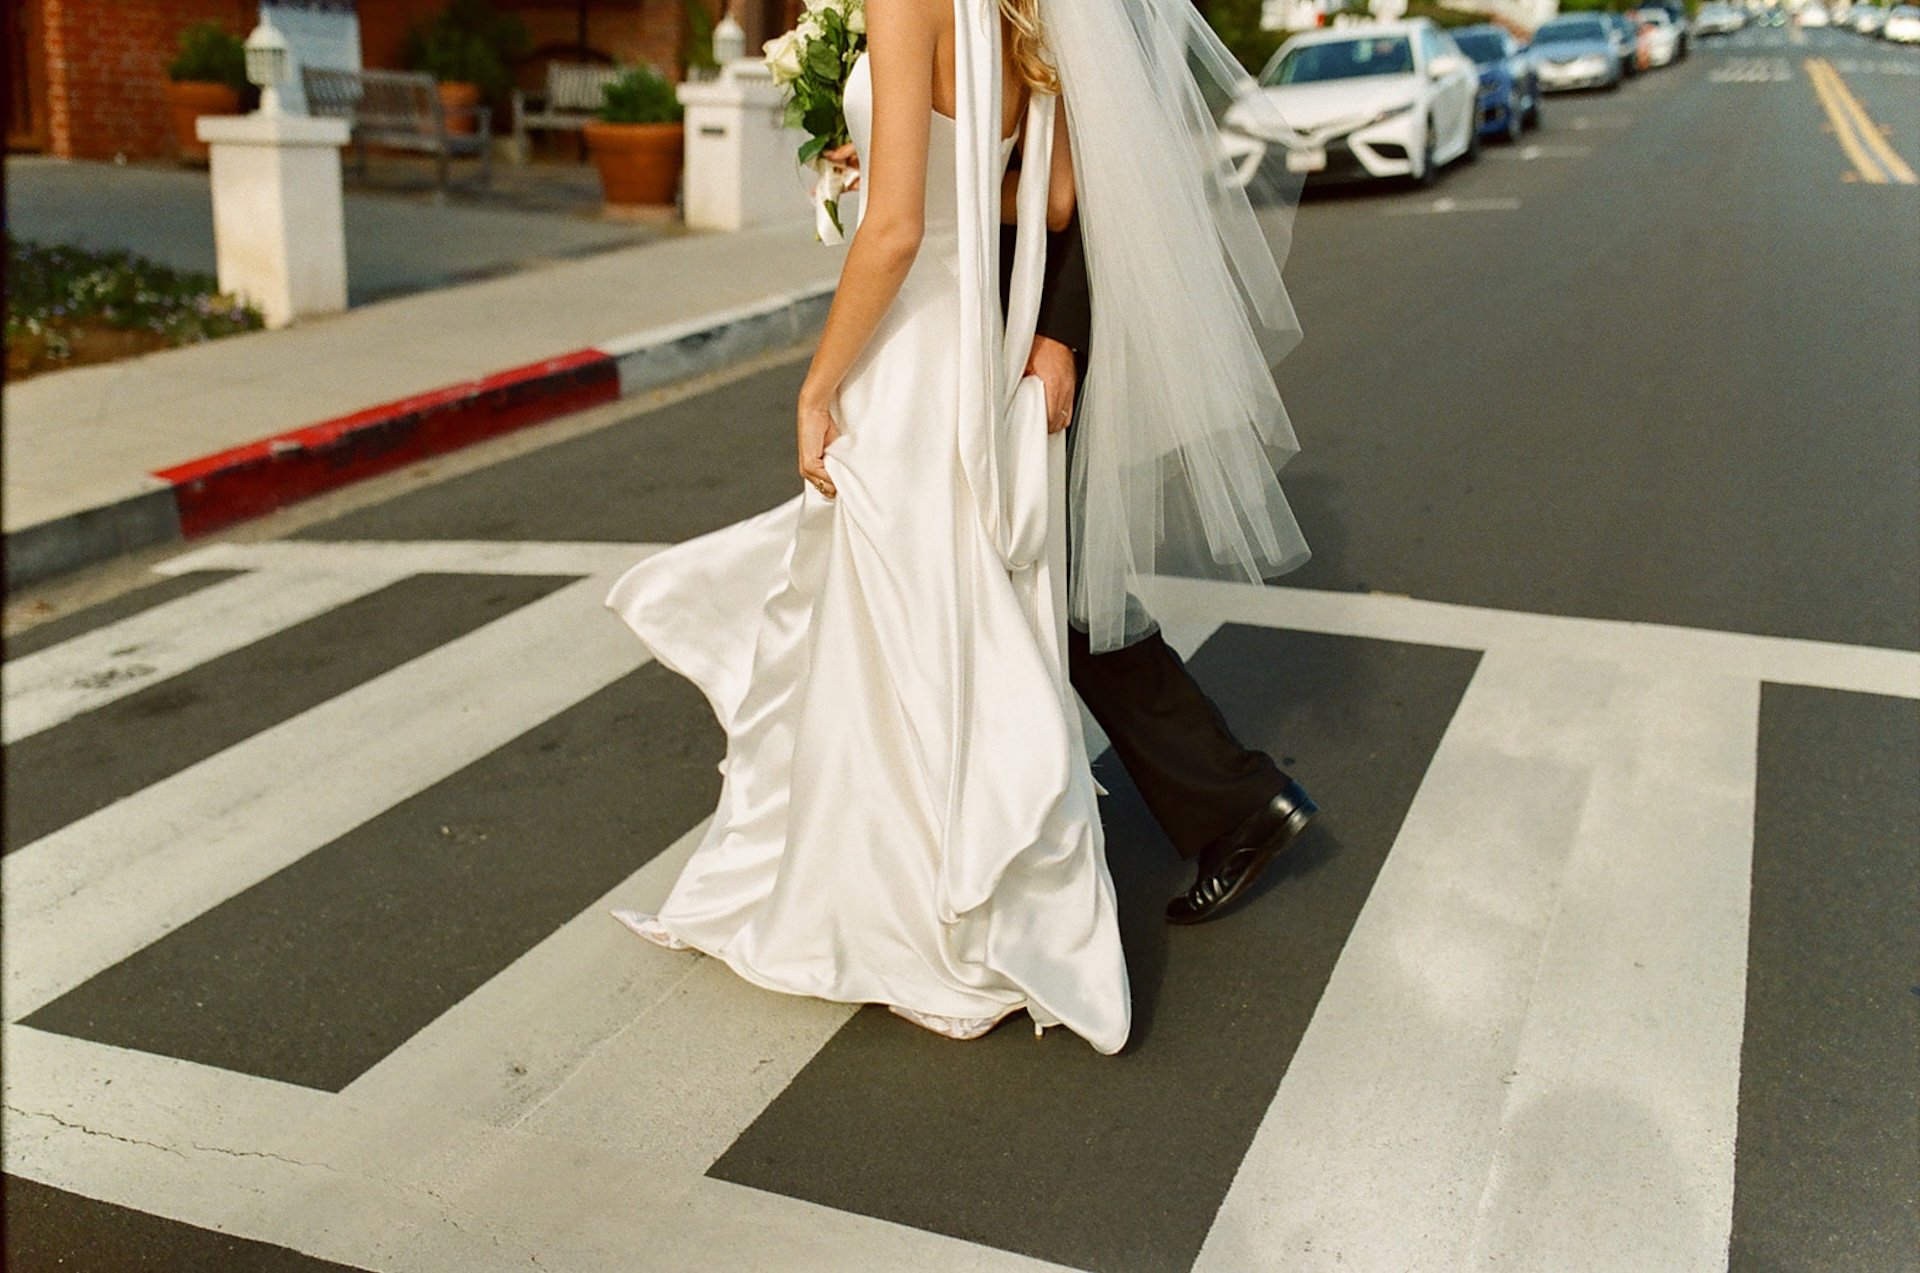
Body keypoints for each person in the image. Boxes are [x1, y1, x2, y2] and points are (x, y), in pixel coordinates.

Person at [603, 0, 1311, 1052]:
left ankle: (918, 895)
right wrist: (938, 175)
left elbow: (892, 233)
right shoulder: (1029, 16)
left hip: (920, 338)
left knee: (910, 622)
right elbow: (1058, 197)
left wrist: (818, 378)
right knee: (958, 608)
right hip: (984, 341)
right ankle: (963, 874)